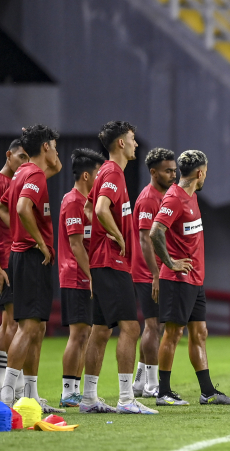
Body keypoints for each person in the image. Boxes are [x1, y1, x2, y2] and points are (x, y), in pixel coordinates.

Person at [149, 150, 230, 406]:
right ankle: (163, 392)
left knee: (199, 333)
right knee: (173, 335)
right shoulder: (175, 198)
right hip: (178, 280)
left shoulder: (192, 197)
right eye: (206, 172)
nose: (205, 176)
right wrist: (171, 263)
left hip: (195, 280)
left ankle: (208, 392)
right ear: (200, 173)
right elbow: (155, 232)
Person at [81, 121, 157, 415]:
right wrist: (114, 235)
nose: (137, 143)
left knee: (100, 331)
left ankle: (88, 399)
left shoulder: (106, 173)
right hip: (112, 261)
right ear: (121, 143)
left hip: (101, 261)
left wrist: (99, 237)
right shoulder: (112, 172)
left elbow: (89, 208)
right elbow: (99, 209)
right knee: (130, 327)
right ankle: (126, 398)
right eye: (133, 139)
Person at [0, 125, 61, 413]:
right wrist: (41, 243)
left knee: (38, 327)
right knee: (28, 327)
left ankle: (30, 395)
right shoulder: (33, 173)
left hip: (20, 256)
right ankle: (7, 394)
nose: (57, 151)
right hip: (32, 257)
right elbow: (22, 208)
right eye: (54, 146)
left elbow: (7, 205)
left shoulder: (22, 173)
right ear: (45, 147)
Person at [57, 148, 105, 408]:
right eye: (98, 173)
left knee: (85, 333)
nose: (100, 178)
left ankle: (74, 391)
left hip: (83, 276)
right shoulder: (73, 201)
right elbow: (76, 245)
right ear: (86, 175)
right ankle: (68, 392)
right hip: (76, 276)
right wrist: (92, 277)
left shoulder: (85, 201)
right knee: (78, 334)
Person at [131, 147, 176, 398]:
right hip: (149, 271)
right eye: (167, 171)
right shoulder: (149, 198)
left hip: (156, 270)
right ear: (153, 172)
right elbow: (145, 239)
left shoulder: (164, 195)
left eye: (174, 170)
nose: (173, 175)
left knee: (155, 326)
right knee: (152, 326)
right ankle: (151, 385)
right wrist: (156, 274)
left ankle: (139, 382)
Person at [0, 139, 28, 402]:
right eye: (20, 156)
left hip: (11, 258)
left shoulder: (16, 183)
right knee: (15, 322)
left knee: (8, 322)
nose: (24, 162)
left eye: (27, 157)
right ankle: (16, 389)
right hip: (3, 259)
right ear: (8, 155)